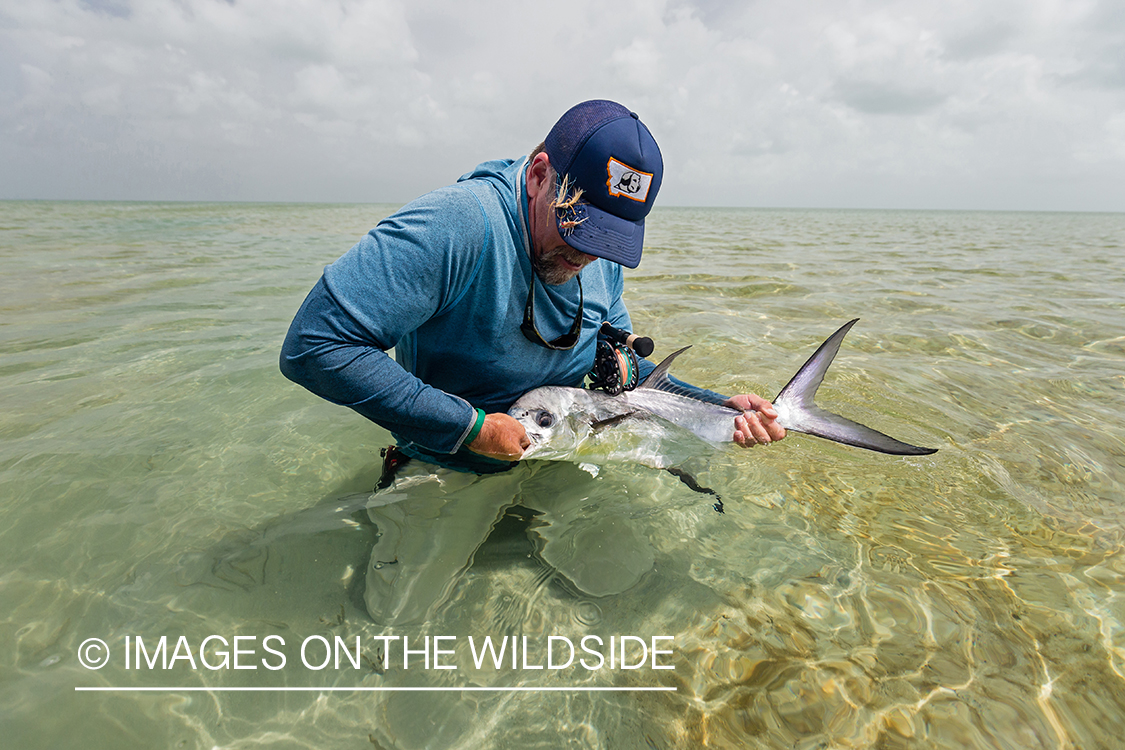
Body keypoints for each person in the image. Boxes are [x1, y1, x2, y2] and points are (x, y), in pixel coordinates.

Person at [279, 100, 785, 624]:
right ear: (541, 173)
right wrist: (468, 427)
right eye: (578, 227)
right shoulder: (455, 225)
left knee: (621, 576)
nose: (587, 255)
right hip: (452, 454)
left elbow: (622, 368)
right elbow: (314, 345)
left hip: (559, 445)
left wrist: (716, 404)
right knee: (394, 622)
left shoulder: (598, 258)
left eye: (608, 239)